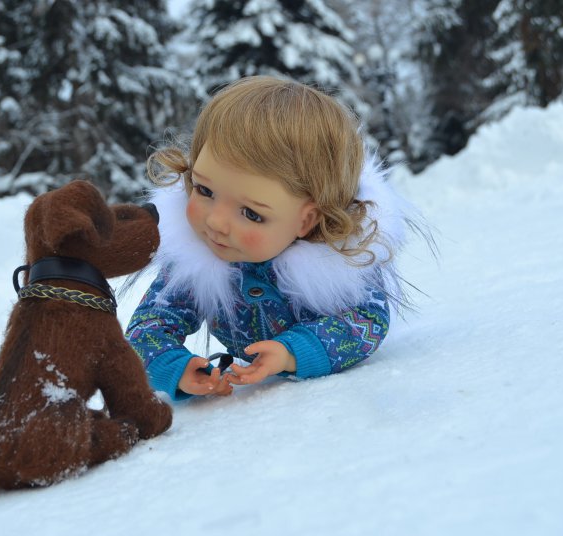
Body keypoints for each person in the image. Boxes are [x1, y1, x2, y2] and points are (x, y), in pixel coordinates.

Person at [125, 75, 422, 401]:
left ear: (306, 220)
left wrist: (292, 352)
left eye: (251, 213)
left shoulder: (340, 264)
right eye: (205, 190)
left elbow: (366, 321)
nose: (216, 221)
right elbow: (148, 326)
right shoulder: (197, 259)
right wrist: (172, 366)